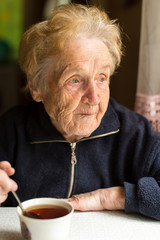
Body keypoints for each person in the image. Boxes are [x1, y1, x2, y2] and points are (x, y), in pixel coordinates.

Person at [0, 3, 160, 220]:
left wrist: (118, 197)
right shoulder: (9, 133)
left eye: (101, 78)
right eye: (75, 80)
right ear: (37, 87)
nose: (94, 98)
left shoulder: (135, 134)